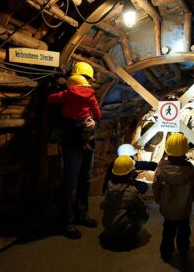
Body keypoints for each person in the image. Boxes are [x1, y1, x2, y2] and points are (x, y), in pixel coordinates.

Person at [48, 61, 99, 239]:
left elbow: (93, 113)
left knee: (85, 179)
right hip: (72, 144)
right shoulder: (65, 93)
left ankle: (81, 215)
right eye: (85, 78)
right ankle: (67, 222)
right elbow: (58, 120)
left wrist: (93, 121)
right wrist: (78, 124)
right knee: (69, 182)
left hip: (88, 142)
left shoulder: (87, 93)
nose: (86, 82)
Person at [152, 133, 194, 261]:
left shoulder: (161, 168)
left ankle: (166, 253)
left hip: (168, 209)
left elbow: (156, 187)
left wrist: (159, 201)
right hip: (184, 210)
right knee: (184, 231)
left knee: (168, 232)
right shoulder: (190, 170)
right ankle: (183, 250)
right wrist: (188, 203)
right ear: (185, 151)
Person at [101, 155, 149, 249]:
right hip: (121, 228)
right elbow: (142, 208)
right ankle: (128, 236)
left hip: (106, 224)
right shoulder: (132, 191)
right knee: (144, 215)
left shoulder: (109, 185)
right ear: (130, 173)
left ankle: (113, 232)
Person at [47, 74, 101, 150]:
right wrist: (97, 118)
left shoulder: (68, 93)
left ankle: (53, 141)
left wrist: (48, 98)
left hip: (68, 120)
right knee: (85, 136)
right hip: (83, 121)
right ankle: (86, 146)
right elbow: (96, 109)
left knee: (58, 128)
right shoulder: (91, 95)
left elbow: (53, 98)